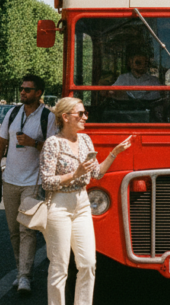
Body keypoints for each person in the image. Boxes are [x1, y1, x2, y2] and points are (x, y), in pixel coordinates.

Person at [41, 97, 132, 305]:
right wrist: (75, 173)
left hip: (82, 202)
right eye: (80, 114)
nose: (85, 117)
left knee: (89, 263)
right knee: (60, 266)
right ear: (65, 117)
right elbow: (47, 182)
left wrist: (114, 153)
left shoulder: (85, 140)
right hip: (59, 204)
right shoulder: (53, 143)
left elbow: (97, 173)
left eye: (85, 113)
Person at [0, 75, 58, 296]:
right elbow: (1, 141)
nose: (23, 93)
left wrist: (34, 143)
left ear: (39, 93)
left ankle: (25, 277)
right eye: (22, 89)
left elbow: (55, 148)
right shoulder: (12, 113)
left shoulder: (49, 117)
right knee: (13, 231)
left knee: (26, 229)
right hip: (10, 179)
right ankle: (21, 271)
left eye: (27, 90)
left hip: (34, 181)